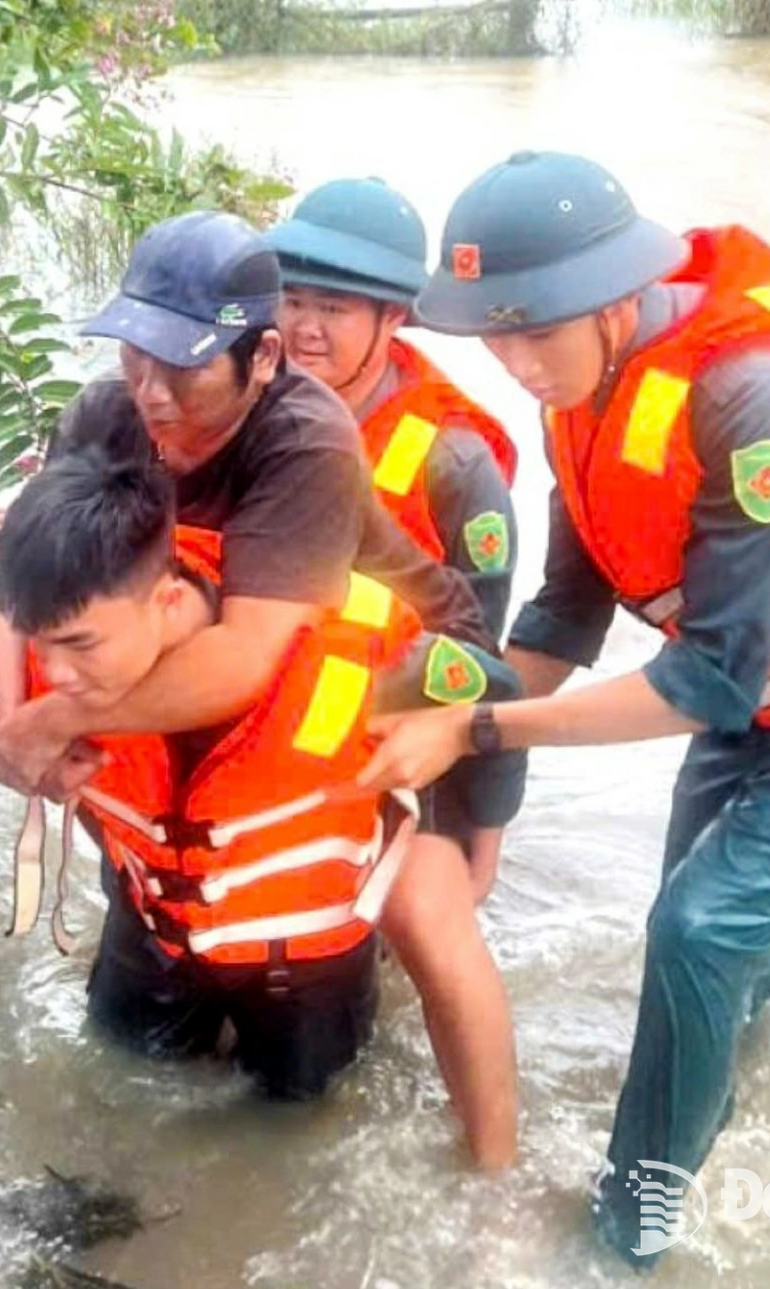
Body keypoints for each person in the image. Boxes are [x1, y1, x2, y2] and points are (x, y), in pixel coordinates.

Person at [359, 150, 770, 1263]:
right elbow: (565, 613)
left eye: (536, 332)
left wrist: (473, 728)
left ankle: (629, 1238)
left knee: (700, 928)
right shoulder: (582, 393)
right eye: (493, 338)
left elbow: (707, 682)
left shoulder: (768, 390)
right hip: (761, 670)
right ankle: (732, 1065)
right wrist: (422, 714)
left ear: (614, 297)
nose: (516, 363)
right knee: (700, 917)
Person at [0, 211, 518, 1168]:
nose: (151, 391)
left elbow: (243, 658)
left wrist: (58, 714)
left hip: (403, 667)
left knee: (421, 912)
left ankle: (494, 1181)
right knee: (154, 852)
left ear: (261, 358)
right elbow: (30, 588)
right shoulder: (106, 415)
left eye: (183, 367)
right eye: (135, 354)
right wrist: (17, 732)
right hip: (219, 633)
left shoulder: (306, 439)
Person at [0, 449, 423, 1099]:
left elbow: (478, 716)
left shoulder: (353, 643)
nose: (53, 674)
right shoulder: (61, 636)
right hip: (153, 936)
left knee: (303, 1121)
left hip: (309, 964)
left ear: (166, 601)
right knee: (116, 1091)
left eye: (80, 645)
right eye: (39, 643)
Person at [268, 177, 525, 899]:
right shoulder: (243, 404)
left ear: (393, 318)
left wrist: (478, 848)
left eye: (333, 308)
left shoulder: (453, 461)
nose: (304, 327)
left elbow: (475, 669)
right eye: (292, 300)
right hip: (261, 718)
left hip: (389, 743)